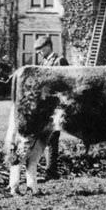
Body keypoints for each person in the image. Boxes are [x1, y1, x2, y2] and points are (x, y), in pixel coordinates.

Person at [33, 35, 68, 180]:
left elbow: (66, 83)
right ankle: (50, 170)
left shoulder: (59, 61)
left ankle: (51, 171)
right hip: (46, 105)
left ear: (48, 46)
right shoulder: (45, 62)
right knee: (46, 136)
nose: (39, 52)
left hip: (57, 105)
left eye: (40, 49)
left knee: (53, 136)